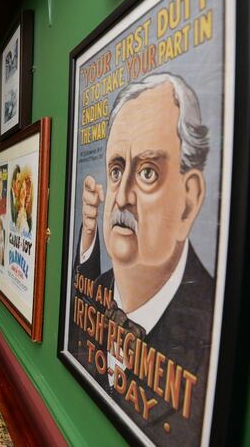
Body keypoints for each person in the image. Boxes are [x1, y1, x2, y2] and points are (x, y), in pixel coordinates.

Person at [71, 73, 213, 443]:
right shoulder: (90, 293)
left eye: (148, 172)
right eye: (117, 170)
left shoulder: (208, 335)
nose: (121, 198)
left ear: (189, 202)